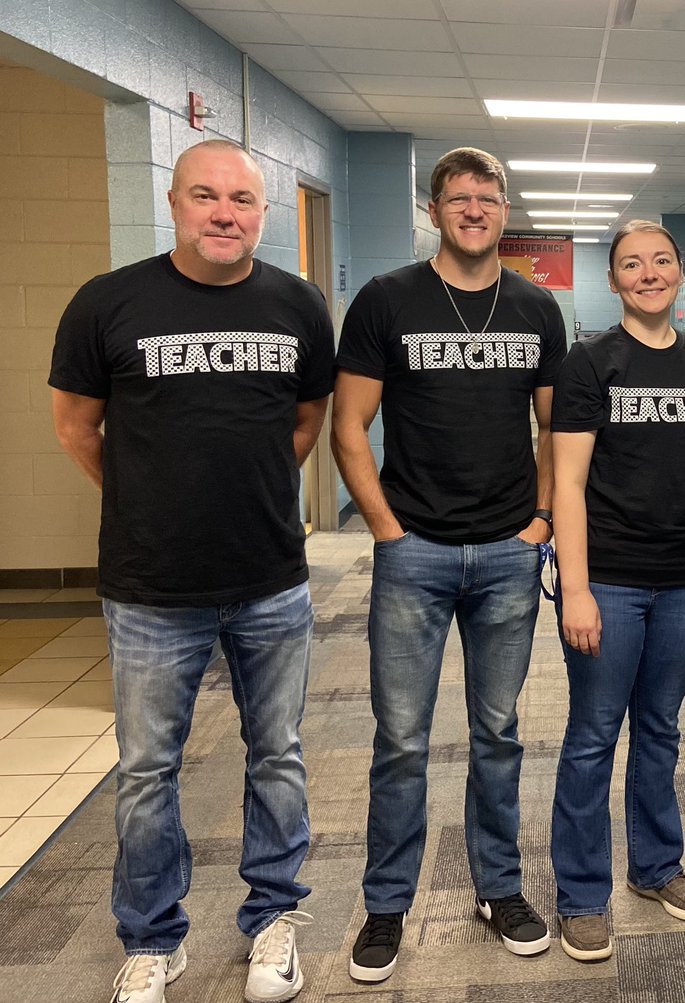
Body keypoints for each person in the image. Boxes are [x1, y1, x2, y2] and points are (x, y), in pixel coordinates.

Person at [49, 139, 335, 1003]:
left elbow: (305, 419)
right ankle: (151, 937)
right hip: (148, 586)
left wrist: (236, 495)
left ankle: (273, 919)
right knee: (146, 770)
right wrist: (149, 500)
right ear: (173, 203)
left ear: (263, 213)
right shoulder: (108, 302)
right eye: (206, 196)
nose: (224, 213)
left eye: (242, 200)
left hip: (270, 578)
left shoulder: (297, 304)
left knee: (276, 754)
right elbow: (76, 427)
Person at [331, 147, 567, 980]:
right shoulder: (387, 299)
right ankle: (387, 902)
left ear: (506, 211)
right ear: (435, 210)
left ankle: (496, 886)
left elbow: (555, 431)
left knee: (498, 732)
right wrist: (388, 530)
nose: (475, 208)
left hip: (508, 552)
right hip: (415, 553)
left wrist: (540, 520)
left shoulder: (537, 307)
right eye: (459, 197)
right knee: (401, 738)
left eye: (489, 196)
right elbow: (349, 425)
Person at [550, 221, 685, 962]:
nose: (649, 272)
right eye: (633, 263)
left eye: (661, 260)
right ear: (615, 278)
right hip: (612, 581)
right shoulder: (591, 363)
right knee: (594, 735)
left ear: (680, 273)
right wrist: (576, 588)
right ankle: (582, 894)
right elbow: (567, 481)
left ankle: (657, 866)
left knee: (659, 727)